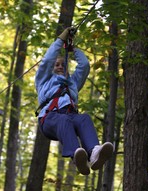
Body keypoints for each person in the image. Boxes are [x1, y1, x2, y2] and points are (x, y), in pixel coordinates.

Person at [35, 27, 114, 175]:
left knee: (84, 118)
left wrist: (73, 49)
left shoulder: (73, 83)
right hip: (49, 118)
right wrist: (60, 40)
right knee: (63, 119)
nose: (60, 67)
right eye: (57, 65)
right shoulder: (43, 81)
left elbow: (84, 65)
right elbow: (47, 61)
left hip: (70, 116)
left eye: (63, 65)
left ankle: (94, 153)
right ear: (51, 69)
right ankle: (76, 155)